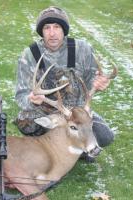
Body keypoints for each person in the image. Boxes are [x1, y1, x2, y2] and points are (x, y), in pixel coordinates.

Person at [15, 6, 114, 162]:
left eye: (57, 27)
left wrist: (98, 84)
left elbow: (90, 84)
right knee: (25, 122)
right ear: (42, 31)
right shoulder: (30, 54)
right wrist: (31, 99)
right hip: (48, 112)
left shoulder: (82, 49)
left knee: (106, 136)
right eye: (47, 28)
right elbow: (21, 96)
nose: (52, 33)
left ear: (64, 30)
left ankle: (76, 147)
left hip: (76, 113)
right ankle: (52, 148)